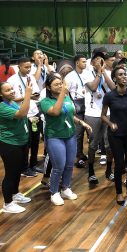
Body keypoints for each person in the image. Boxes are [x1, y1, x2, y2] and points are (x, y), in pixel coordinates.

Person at [40, 74, 92, 206]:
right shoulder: (45, 102)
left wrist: (81, 122)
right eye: (56, 84)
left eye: (61, 83)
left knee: (69, 164)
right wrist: (63, 93)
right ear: (48, 87)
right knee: (59, 166)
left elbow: (69, 114)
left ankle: (65, 188)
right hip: (55, 137)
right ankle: (54, 192)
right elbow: (56, 112)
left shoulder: (67, 97)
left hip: (70, 135)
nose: (60, 86)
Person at [101, 67, 127, 205]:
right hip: (115, 135)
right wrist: (111, 124)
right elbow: (103, 116)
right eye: (120, 75)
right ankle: (118, 192)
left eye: (125, 74)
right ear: (115, 79)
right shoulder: (109, 96)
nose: (124, 77)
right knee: (120, 165)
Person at [0, 80, 33, 213]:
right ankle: (7, 203)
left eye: (12, 88)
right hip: (9, 143)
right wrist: (28, 95)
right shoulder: (2, 106)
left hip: (21, 141)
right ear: (1, 94)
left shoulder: (12, 102)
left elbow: (22, 115)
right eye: (7, 90)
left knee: (18, 170)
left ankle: (15, 194)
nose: (12, 91)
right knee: (10, 173)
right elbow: (21, 114)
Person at [84, 51, 116, 184]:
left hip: (107, 113)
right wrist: (98, 71)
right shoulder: (86, 73)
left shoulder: (106, 73)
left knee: (109, 146)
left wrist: (103, 72)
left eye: (102, 59)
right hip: (92, 114)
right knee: (93, 145)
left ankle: (109, 170)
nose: (100, 61)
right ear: (92, 63)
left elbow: (113, 88)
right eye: (97, 59)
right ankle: (91, 172)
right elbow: (93, 87)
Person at [6, 57, 41, 177]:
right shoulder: (12, 80)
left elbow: (36, 94)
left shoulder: (31, 77)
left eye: (30, 67)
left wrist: (33, 96)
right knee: (26, 141)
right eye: (26, 67)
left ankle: (34, 164)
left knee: (36, 140)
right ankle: (24, 168)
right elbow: (11, 99)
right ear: (19, 67)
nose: (28, 69)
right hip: (22, 114)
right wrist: (26, 96)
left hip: (34, 112)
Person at [64, 55, 90, 168]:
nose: (85, 63)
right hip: (76, 105)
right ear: (77, 63)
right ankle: (77, 157)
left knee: (89, 131)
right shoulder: (69, 76)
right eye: (83, 62)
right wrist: (71, 105)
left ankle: (82, 153)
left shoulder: (87, 74)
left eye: (85, 61)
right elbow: (65, 93)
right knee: (78, 134)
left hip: (87, 104)